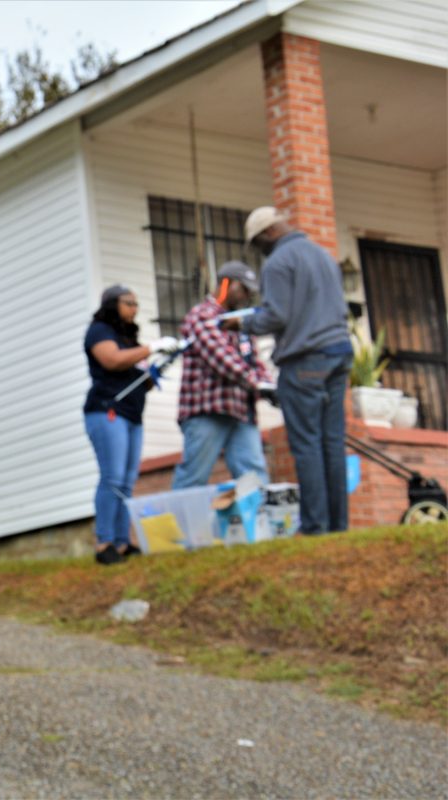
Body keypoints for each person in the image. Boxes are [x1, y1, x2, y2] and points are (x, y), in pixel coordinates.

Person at [225, 207, 352, 535]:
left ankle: (313, 526)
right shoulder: (323, 255)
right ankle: (337, 527)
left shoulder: (279, 262)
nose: (259, 252)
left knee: (307, 443)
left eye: (257, 245)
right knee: (332, 442)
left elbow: (275, 317)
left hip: (305, 360)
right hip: (339, 355)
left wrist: (241, 322)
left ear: (267, 234)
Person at [83, 285, 179, 565]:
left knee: (126, 481)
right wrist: (151, 348)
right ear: (113, 304)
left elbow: (140, 382)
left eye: (137, 304)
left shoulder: (128, 338)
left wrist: (160, 364)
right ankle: (104, 544)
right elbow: (111, 360)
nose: (134, 309)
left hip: (132, 415)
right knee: (112, 478)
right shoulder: (99, 330)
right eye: (129, 303)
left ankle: (123, 544)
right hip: (107, 411)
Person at [172, 261, 275, 489]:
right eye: (244, 288)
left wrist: (269, 385)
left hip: (241, 412)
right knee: (194, 477)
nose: (247, 295)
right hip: (207, 411)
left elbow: (253, 359)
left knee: (254, 475)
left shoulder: (240, 322)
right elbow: (222, 358)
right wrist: (257, 383)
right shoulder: (202, 316)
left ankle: (259, 523)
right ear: (226, 284)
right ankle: (181, 525)